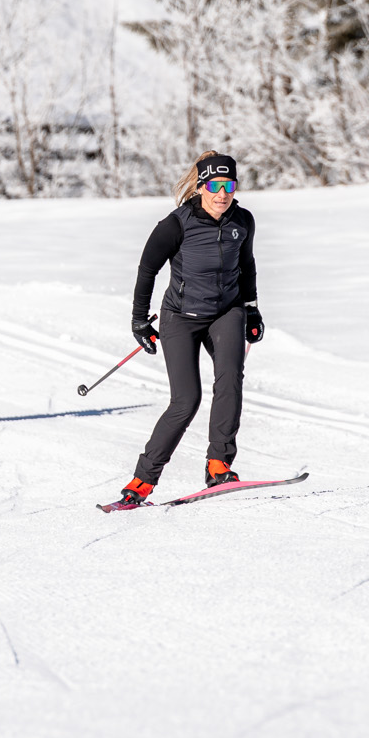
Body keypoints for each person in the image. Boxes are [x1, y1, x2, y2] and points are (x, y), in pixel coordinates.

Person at [114, 149, 265, 508]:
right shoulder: (176, 224)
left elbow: (247, 266)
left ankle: (219, 465)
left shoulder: (242, 221)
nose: (222, 193)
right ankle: (142, 482)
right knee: (186, 401)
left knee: (230, 380)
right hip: (180, 317)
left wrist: (252, 310)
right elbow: (147, 269)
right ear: (200, 187)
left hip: (226, 312)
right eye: (215, 184)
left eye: (229, 184)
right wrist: (139, 319)